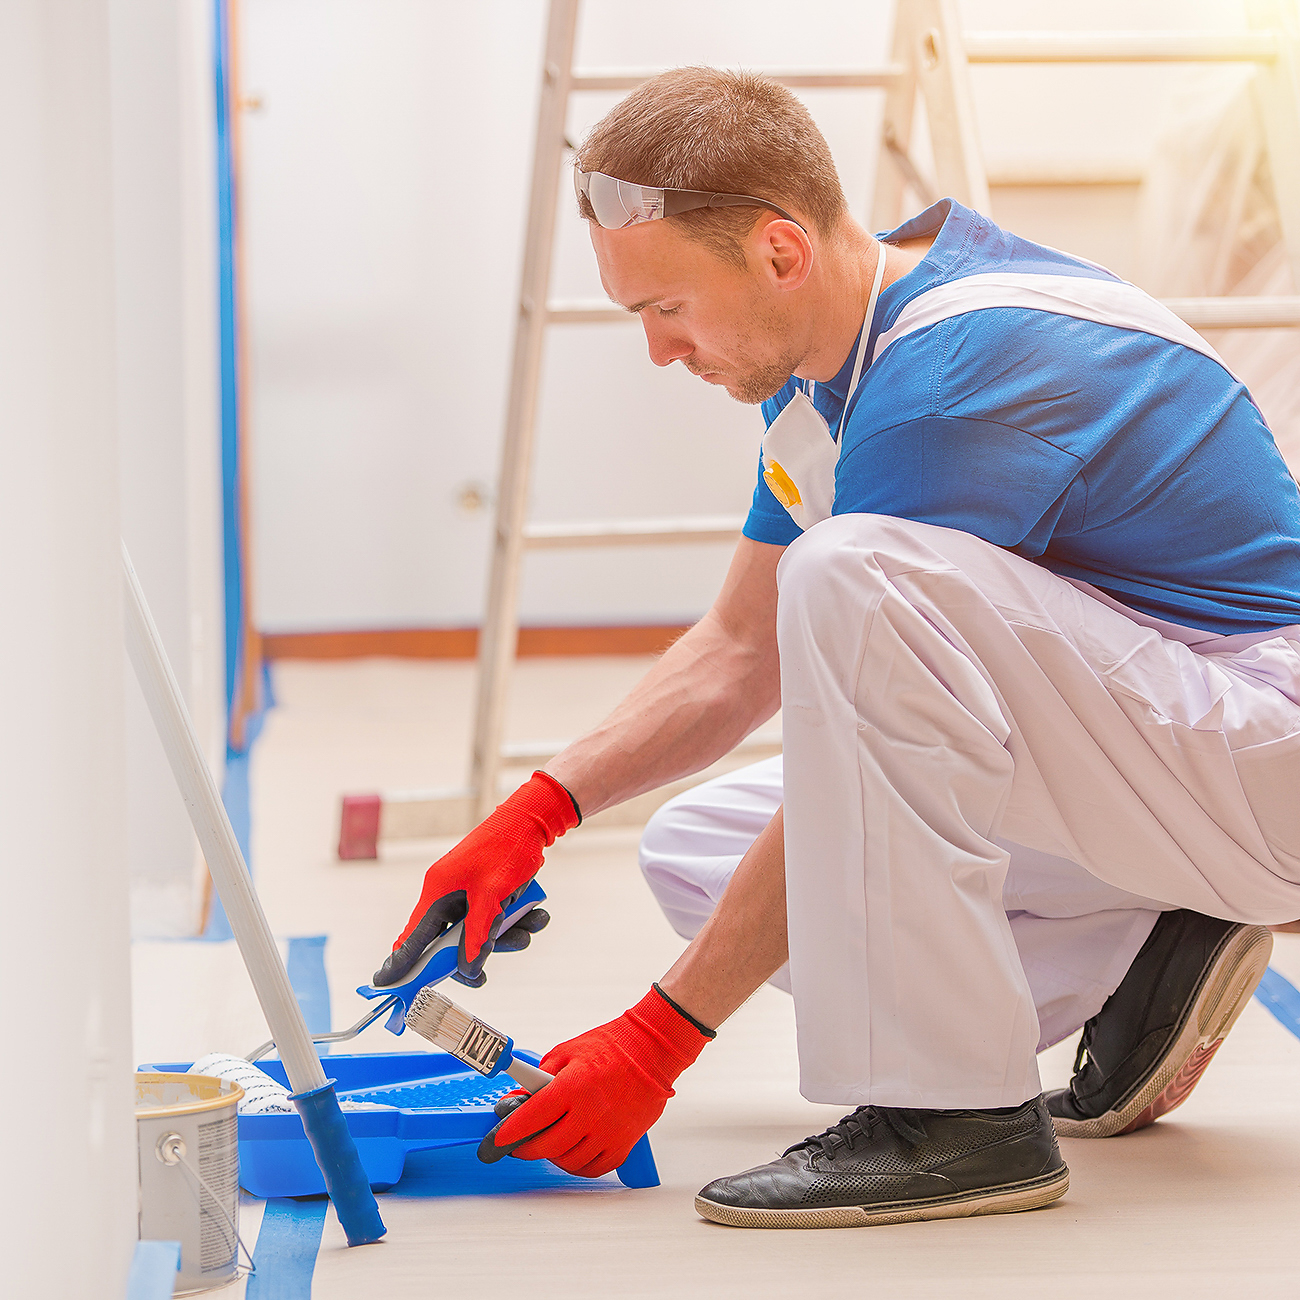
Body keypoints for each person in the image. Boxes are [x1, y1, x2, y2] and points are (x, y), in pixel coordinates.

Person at [373, 67, 1300, 1228]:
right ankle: (1154, 937)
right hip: (1151, 747)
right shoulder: (827, 365)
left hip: (1257, 745)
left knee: (851, 574)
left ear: (777, 252)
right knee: (693, 852)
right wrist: (540, 810)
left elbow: (847, 688)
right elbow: (736, 652)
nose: (660, 351)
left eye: (667, 308)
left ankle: (956, 1119)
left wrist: (657, 1039)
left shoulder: (953, 377)